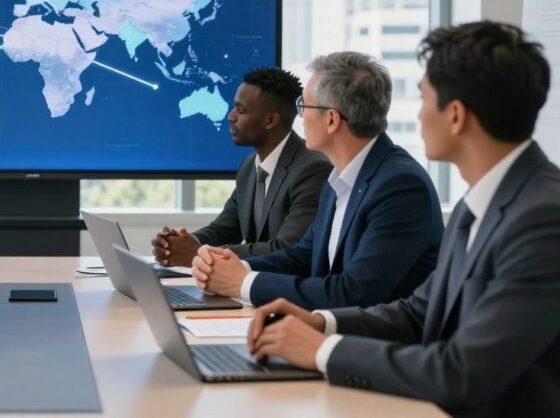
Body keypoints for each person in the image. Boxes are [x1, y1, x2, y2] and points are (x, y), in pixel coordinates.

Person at [244, 21, 560, 418]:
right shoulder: (479, 203)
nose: (419, 113)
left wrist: (322, 351)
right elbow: (418, 312)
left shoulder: (543, 219)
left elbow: (461, 371)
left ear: (456, 116)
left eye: (425, 99)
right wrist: (319, 322)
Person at [192, 52, 442, 309]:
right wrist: (232, 266)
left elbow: (353, 293)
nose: (299, 117)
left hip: (381, 343)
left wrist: (243, 283)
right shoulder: (340, 179)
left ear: (331, 120)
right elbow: (303, 256)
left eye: (304, 106)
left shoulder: (400, 186)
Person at [152, 68, 331, 266]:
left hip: (283, 291)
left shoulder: (312, 170)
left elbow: (287, 248)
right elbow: (224, 229)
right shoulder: (249, 166)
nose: (231, 116)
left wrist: (200, 254)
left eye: (241, 110)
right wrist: (179, 244)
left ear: (270, 120)